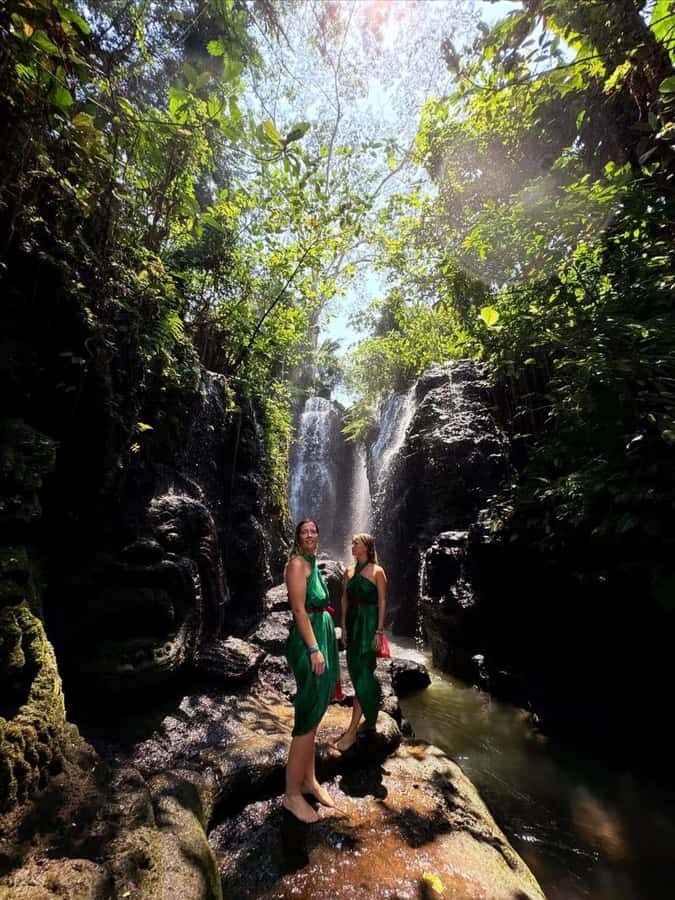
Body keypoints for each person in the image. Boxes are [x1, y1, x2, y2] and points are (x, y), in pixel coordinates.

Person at [283, 518, 339, 822]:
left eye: (313, 531)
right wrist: (314, 649)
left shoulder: (312, 562)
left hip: (321, 635)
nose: (309, 535)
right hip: (309, 643)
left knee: (316, 710)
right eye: (304, 531)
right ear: (298, 537)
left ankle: (309, 780)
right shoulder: (297, 565)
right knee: (307, 712)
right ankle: (291, 795)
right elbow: (298, 609)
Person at [334, 533, 387, 752]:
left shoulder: (378, 571)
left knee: (364, 673)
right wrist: (344, 627)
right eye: (352, 543)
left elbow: (382, 601)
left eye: (356, 543)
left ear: (367, 547)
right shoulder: (348, 571)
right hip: (353, 624)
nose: (352, 546)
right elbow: (344, 599)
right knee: (356, 672)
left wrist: (379, 631)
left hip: (369, 625)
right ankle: (370, 715)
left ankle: (353, 731)